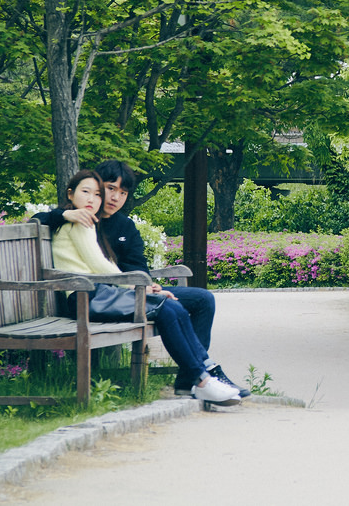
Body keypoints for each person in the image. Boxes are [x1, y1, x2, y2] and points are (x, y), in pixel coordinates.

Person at [39, 166, 248, 401]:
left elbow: (135, 265)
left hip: (118, 289)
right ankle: (203, 377)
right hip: (99, 293)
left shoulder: (122, 225)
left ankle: (193, 378)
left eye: (122, 192)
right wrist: (65, 214)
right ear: (73, 193)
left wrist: (149, 286)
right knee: (168, 308)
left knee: (201, 299)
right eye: (108, 189)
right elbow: (96, 264)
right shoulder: (81, 220)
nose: (113, 197)